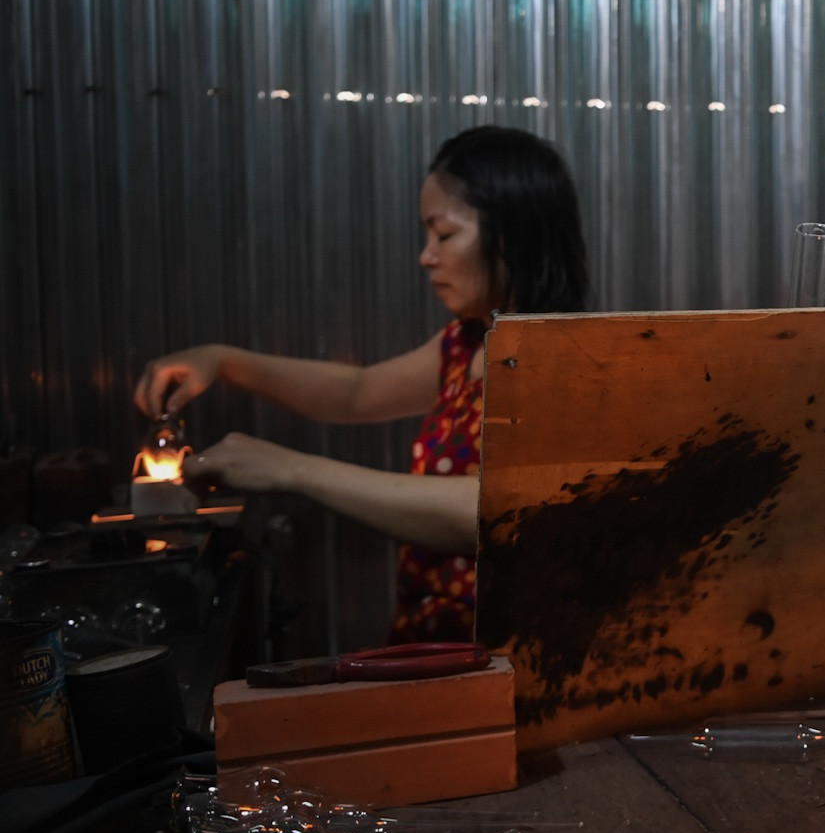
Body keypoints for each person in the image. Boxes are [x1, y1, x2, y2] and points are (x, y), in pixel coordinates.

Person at [134, 126, 589, 642]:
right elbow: (357, 391)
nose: (426, 256)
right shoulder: (469, 344)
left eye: (443, 234)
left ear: (511, 235)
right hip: (433, 642)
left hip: (502, 660)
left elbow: (494, 508)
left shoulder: (562, 356)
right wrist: (224, 361)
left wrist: (292, 469)